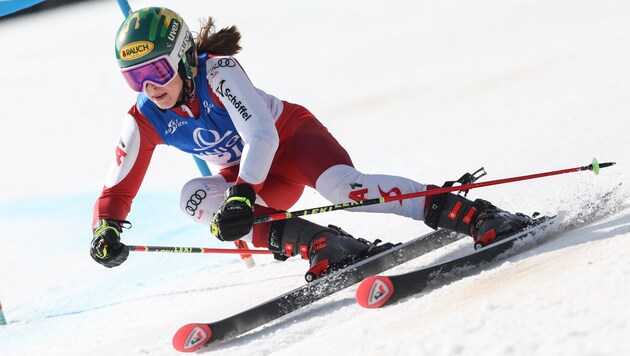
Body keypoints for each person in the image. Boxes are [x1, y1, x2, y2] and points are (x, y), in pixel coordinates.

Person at [90, 7, 531, 280]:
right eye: (135, 77)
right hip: (253, 180)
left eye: (158, 72)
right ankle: (325, 245)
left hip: (293, 143)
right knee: (193, 198)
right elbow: (117, 189)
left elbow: (261, 134)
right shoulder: (145, 115)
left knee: (344, 190)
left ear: (184, 57)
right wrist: (105, 228)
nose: (149, 87)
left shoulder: (218, 72)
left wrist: (243, 194)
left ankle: (470, 213)